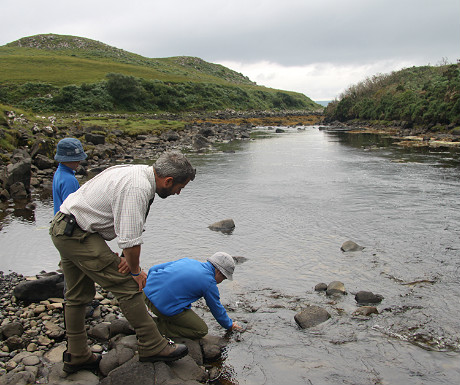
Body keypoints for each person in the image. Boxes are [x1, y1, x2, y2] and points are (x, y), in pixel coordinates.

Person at [49, 150, 196, 374]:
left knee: (77, 296)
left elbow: (122, 222)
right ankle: (153, 345)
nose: (178, 193)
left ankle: (78, 356)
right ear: (168, 180)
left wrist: (126, 258)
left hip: (64, 227)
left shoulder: (138, 173)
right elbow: (130, 241)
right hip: (78, 233)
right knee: (127, 284)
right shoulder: (138, 188)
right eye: (180, 187)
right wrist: (136, 272)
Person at [143, 252, 243, 340]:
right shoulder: (209, 283)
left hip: (145, 294)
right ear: (218, 272)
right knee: (201, 330)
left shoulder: (188, 261)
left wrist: (151, 288)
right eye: (224, 278)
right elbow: (217, 309)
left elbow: (154, 269)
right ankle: (151, 327)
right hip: (161, 307)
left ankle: (144, 318)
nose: (221, 282)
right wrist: (230, 326)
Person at [52, 138, 87, 215]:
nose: (79, 161)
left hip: (59, 222)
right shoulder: (69, 180)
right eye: (76, 159)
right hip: (67, 225)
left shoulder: (58, 173)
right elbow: (72, 211)